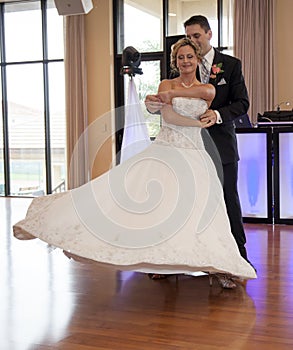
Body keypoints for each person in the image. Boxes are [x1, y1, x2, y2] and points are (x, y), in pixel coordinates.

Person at [13, 38, 256, 289]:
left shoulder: (207, 88)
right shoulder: (165, 83)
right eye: (181, 57)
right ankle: (160, 262)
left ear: (197, 59)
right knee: (162, 210)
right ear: (176, 61)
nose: (185, 61)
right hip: (169, 149)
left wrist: (172, 96)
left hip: (196, 153)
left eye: (190, 57)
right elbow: (169, 116)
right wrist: (196, 121)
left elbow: (204, 95)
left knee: (205, 211)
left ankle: (218, 264)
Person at [147, 15, 252, 267]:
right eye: (188, 36)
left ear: (209, 35)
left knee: (226, 200)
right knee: (180, 203)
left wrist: (216, 115)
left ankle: (236, 258)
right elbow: (164, 105)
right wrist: (153, 106)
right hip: (183, 147)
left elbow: (242, 103)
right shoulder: (177, 71)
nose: (192, 41)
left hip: (220, 146)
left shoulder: (230, 65)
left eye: (196, 35)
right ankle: (180, 259)